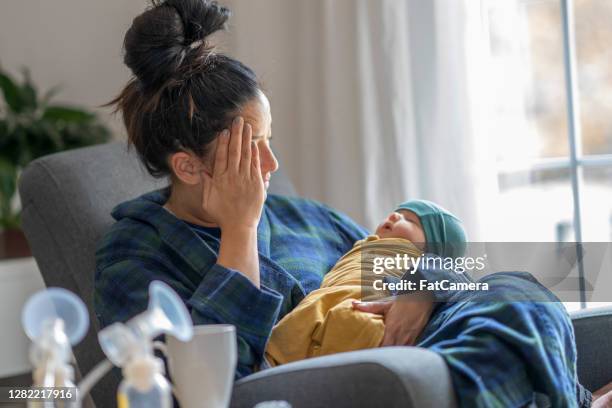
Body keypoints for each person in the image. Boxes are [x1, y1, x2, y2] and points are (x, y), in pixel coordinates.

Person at [94, 0, 612, 406]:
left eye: (271, 141)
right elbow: (201, 387)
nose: (272, 166)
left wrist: (424, 287)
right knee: (506, 337)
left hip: (434, 342)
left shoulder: (308, 218)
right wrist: (240, 232)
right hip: (339, 384)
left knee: (516, 292)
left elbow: (449, 268)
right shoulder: (132, 253)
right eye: (253, 151)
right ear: (187, 166)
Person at [265, 200, 467, 366]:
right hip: (324, 301)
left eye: (411, 220)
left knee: (357, 324)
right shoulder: (361, 242)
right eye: (397, 212)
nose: (395, 216)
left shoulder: (424, 260)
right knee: (286, 337)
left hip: (367, 304)